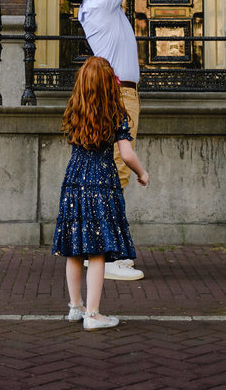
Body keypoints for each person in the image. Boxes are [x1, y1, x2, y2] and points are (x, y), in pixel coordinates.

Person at [55, 0, 166, 281]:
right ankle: (108, 254)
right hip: (121, 93)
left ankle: (100, 251)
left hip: (122, 91)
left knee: (114, 171)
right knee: (118, 170)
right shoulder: (101, 5)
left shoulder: (97, 2)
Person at [52, 56, 150, 331]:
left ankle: (75, 307)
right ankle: (93, 315)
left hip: (74, 180)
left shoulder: (75, 109)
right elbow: (126, 154)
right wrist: (142, 173)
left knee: (74, 249)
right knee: (96, 252)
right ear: (110, 83)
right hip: (101, 181)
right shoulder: (116, 113)